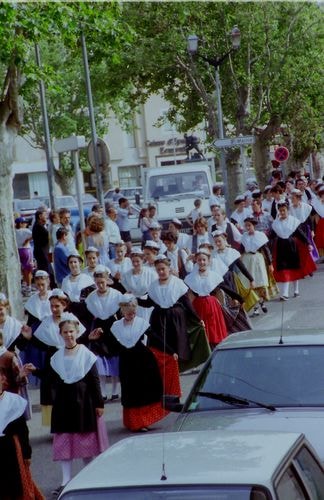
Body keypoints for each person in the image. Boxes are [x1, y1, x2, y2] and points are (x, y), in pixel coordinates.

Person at [24, 317, 108, 497]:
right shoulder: (57, 356)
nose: (69, 335)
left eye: (71, 331)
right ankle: (66, 481)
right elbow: (49, 376)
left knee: (85, 442)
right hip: (63, 402)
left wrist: (99, 403)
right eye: (65, 332)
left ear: (77, 333)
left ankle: (89, 477)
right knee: (64, 441)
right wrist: (35, 370)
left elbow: (94, 380)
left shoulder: (86, 354)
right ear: (60, 334)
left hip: (84, 401)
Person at [138, 255, 210, 378]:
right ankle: (164, 365)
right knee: (161, 342)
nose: (161, 272)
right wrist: (134, 300)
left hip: (176, 317)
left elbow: (187, 304)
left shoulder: (178, 283)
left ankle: (180, 365)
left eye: (163, 269)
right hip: (159, 317)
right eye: (158, 270)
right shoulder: (153, 286)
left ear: (169, 269)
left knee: (178, 340)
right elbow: (149, 303)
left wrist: (198, 319)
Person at [110, 295, 167, 432]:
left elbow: (155, 337)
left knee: (144, 390)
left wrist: (170, 351)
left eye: (134, 311)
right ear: (122, 310)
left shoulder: (141, 323)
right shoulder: (116, 326)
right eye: (128, 312)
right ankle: (132, 422)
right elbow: (112, 345)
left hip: (143, 360)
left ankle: (143, 421)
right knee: (130, 391)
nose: (131, 314)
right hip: (126, 361)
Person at [33, 290, 86, 426]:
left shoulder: (71, 318)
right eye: (51, 306)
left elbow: (81, 337)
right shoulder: (47, 321)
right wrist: (29, 337)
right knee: (54, 391)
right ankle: (57, 424)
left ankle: (74, 420)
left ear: (64, 305)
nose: (54, 309)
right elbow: (41, 342)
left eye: (57, 306)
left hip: (70, 355)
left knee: (72, 388)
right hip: (53, 357)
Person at [0, 369, 44, 500]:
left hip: (11, 448)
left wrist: (26, 453)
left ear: (3, 379)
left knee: (16, 484)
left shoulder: (13, 401)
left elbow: (22, 430)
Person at [85, 265, 123, 401]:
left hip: (112, 327)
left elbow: (120, 313)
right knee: (100, 361)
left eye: (103, 282)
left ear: (107, 280)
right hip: (99, 328)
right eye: (98, 283)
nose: (101, 285)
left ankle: (115, 390)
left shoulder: (116, 295)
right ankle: (103, 390)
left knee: (114, 360)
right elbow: (89, 315)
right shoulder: (91, 298)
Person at [269, 202, 316, 300]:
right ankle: (285, 293)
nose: (282, 212)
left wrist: (308, 243)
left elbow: (300, 234)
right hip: (281, 247)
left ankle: (296, 290)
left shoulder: (293, 221)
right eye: (280, 211)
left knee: (294, 268)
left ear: (288, 210)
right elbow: (271, 236)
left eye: (284, 210)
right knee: (284, 269)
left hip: (292, 246)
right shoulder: (275, 224)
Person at [184, 249, 228, 349]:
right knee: (202, 328)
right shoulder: (192, 277)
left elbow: (220, 291)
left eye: (204, 260)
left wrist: (233, 299)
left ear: (208, 261)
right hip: (198, 305)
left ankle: (216, 346)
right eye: (199, 260)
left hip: (213, 305)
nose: (202, 262)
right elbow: (190, 295)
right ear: (196, 261)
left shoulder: (214, 275)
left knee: (214, 327)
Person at [239, 217, 276, 317]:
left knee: (260, 282)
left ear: (253, 226)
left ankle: (261, 302)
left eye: (249, 225)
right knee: (250, 284)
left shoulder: (260, 236)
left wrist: (270, 264)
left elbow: (266, 250)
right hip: (247, 260)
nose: (247, 228)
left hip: (257, 259)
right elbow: (241, 250)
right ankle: (255, 308)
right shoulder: (244, 237)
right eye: (246, 225)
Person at [120, 247, 156, 322]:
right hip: (133, 304)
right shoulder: (126, 275)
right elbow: (127, 290)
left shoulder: (151, 273)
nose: (135, 264)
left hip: (147, 303)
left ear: (142, 260)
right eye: (133, 261)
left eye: (137, 261)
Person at [32, 208, 55, 286]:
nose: (46, 217)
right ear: (40, 216)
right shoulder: (38, 227)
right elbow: (46, 238)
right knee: (46, 270)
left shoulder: (41, 226)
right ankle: (50, 285)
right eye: (45, 215)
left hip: (44, 252)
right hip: (41, 253)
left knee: (48, 269)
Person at [15, 216, 34, 297]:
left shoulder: (15, 231)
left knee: (23, 269)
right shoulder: (26, 230)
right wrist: (27, 240)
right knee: (28, 270)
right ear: (21, 224)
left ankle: (25, 285)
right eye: (24, 223)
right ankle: (29, 287)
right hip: (26, 250)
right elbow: (34, 235)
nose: (26, 224)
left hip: (18, 250)